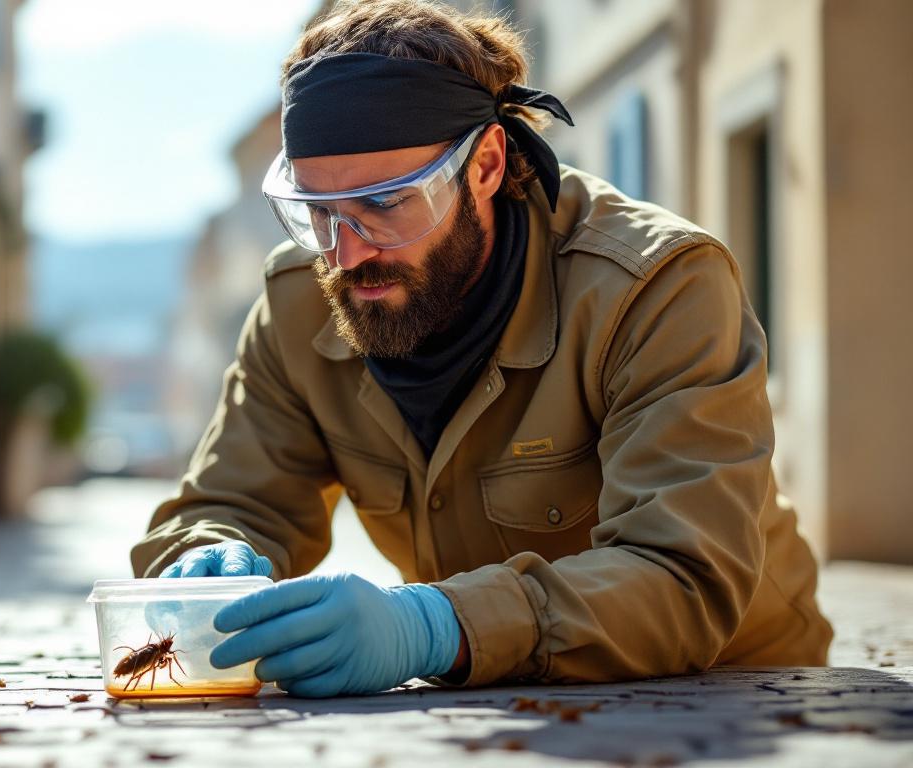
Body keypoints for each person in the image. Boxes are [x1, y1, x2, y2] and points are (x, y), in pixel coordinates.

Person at [130, 0, 832, 698]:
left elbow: (684, 576)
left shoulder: (657, 288)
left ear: (487, 165)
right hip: (485, 694)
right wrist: (208, 551)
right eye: (319, 212)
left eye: (386, 203)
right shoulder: (299, 301)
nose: (347, 254)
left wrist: (433, 626)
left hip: (733, 690)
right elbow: (231, 500)